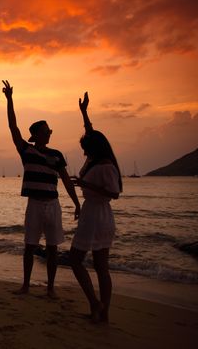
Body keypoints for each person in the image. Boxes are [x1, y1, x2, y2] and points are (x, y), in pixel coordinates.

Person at [1, 80, 80, 298]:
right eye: (46, 131)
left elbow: (65, 180)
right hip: (34, 204)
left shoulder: (57, 155)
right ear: (35, 136)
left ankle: (51, 288)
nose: (49, 134)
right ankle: (25, 285)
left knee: (53, 247)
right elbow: (12, 126)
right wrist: (9, 100)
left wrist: (77, 204)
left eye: (50, 131)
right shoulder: (26, 150)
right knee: (30, 246)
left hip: (52, 205)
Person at [69, 92, 123, 323]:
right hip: (96, 215)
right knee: (101, 266)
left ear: (94, 149)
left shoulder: (105, 165)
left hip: (96, 215)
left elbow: (114, 193)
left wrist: (84, 183)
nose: (83, 152)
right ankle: (101, 311)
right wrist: (84, 112)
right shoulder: (94, 158)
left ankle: (97, 304)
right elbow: (91, 134)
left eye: (86, 148)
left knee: (76, 260)